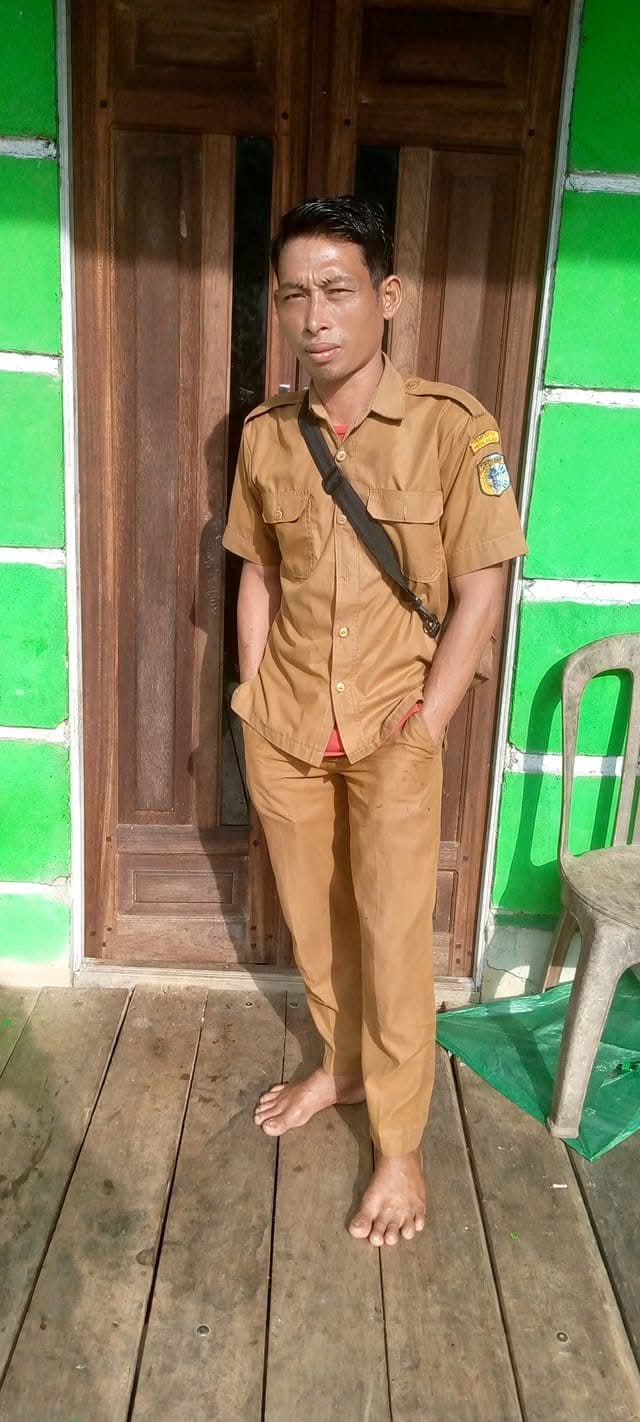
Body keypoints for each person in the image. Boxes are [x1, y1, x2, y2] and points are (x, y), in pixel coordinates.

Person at [222, 196, 527, 1247]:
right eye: (293, 295)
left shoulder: (453, 426)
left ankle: (399, 1143)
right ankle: (342, 1065)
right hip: (289, 728)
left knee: (395, 941)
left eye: (337, 290)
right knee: (316, 926)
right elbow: (257, 572)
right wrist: (251, 697)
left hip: (396, 730)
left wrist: (429, 722)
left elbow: (481, 589)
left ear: (386, 297)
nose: (314, 317)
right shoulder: (267, 436)